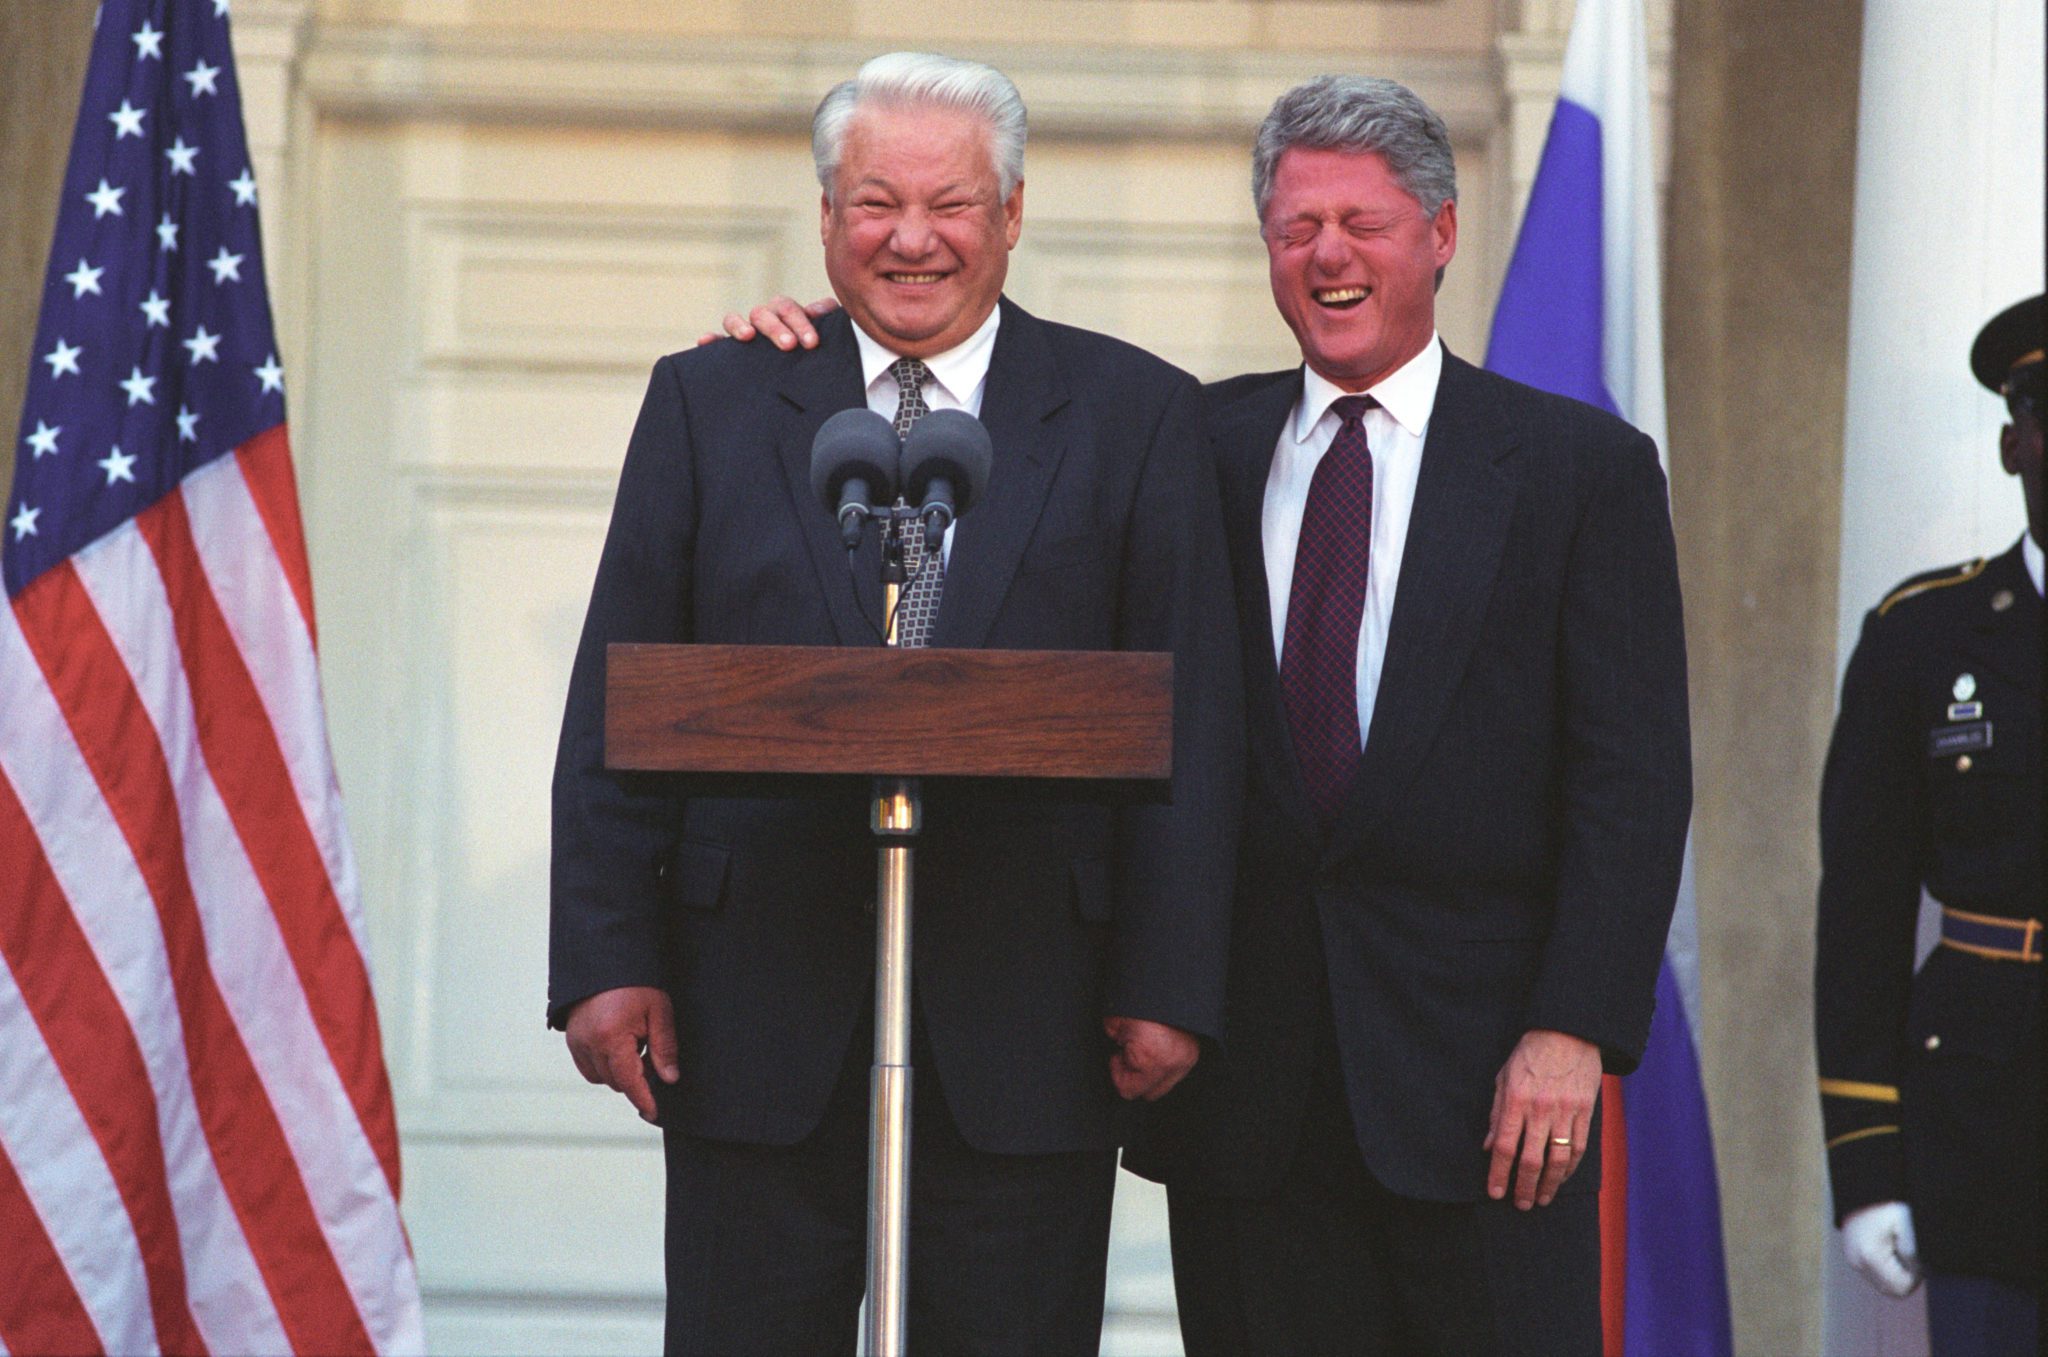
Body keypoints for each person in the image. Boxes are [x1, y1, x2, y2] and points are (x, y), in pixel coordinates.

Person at [725, 73, 1691, 1357]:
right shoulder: (1186, 436)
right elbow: (973, 394)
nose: (1326, 257)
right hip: (1249, 1097)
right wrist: (808, 336)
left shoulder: (1579, 471)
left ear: (1442, 234)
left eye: (1363, 222)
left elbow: (1629, 783)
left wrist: (1569, 1030)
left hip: (1484, 1093)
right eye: (1295, 229)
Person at [550, 51, 1242, 1356]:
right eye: (874, 203)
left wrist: (1171, 979)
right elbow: (618, 695)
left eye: (952, 204)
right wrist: (606, 957)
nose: (911, 239)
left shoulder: (1134, 414)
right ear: (825, 219)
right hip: (751, 1022)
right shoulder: (712, 398)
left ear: (1013, 214)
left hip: (1030, 1022)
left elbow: (1192, 716)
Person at [1815, 292, 2042, 1357]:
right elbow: (1858, 915)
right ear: (2012, 443)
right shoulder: (1922, 639)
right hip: (1984, 1139)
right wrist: (1863, 1163)